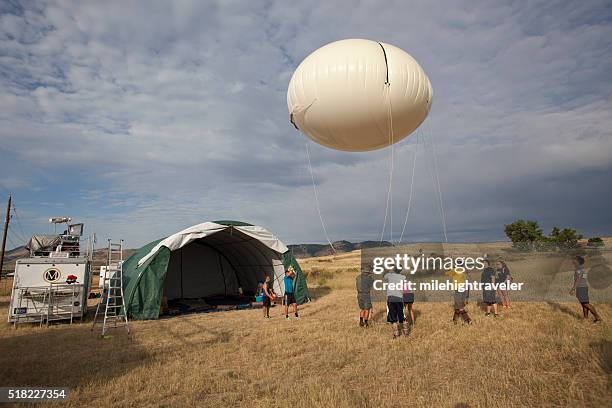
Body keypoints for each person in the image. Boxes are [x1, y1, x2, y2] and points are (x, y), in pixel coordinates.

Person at [570, 255, 601, 323]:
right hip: (583, 287)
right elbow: (583, 278)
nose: (573, 260)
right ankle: (586, 318)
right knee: (584, 304)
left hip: (581, 288)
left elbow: (578, 280)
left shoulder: (578, 270)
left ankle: (598, 318)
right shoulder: (582, 269)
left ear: (578, 261)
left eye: (574, 259)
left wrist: (573, 289)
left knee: (586, 304)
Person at [385, 268, 409, 338]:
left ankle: (396, 335)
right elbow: (406, 289)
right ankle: (406, 334)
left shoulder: (389, 275)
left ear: (394, 270)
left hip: (391, 298)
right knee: (403, 316)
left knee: (393, 318)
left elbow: (384, 276)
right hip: (399, 298)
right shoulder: (403, 277)